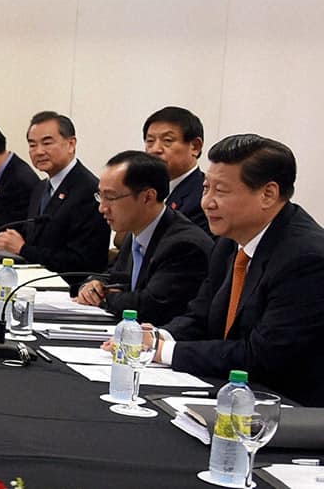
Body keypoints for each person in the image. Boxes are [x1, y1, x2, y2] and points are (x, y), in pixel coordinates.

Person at [110, 134, 324, 407]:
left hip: (288, 411)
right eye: (205, 188)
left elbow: (260, 356)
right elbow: (200, 316)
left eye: (220, 191)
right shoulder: (228, 243)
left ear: (268, 194)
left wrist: (165, 351)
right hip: (232, 395)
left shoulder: (306, 258)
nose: (206, 202)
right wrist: (157, 336)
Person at [75, 151, 212, 324]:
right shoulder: (136, 232)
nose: (102, 208)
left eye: (110, 197)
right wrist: (94, 285)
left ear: (148, 197)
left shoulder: (184, 245)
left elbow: (149, 306)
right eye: (100, 196)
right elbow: (115, 277)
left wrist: (104, 297)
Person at [0, 111, 109, 280]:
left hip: (70, 291)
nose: (39, 151)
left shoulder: (89, 190)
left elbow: (84, 262)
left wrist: (23, 249)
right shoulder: (40, 188)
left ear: (71, 144)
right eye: (32, 145)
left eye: (47, 143)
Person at [143, 106, 209, 234]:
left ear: (195, 147)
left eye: (167, 140)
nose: (155, 149)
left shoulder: (203, 197)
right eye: (150, 141)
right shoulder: (143, 191)